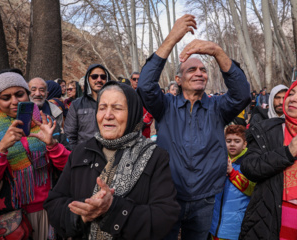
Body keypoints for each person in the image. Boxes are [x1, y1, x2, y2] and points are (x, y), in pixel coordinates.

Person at [137, 15, 250, 239]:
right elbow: (145, 86)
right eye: (191, 70)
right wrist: (171, 39)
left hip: (206, 198)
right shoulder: (165, 106)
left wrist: (217, 51)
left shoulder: (218, 108)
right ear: (178, 79)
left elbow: (242, 94)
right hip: (168, 196)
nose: (199, 72)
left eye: (203, 69)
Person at [44, 81, 180, 239]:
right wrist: (83, 213)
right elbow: (54, 203)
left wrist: (113, 208)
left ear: (133, 113)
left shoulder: (155, 156)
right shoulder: (81, 152)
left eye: (117, 108)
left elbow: (165, 217)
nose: (107, 115)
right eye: (102, 108)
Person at [0, 69, 71, 240]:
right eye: (6, 98)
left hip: (50, 210)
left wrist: (52, 145)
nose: (14, 102)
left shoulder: (46, 122)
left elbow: (69, 169)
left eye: (19, 94)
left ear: (27, 94)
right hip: (9, 220)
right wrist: (1, 149)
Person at [239, 76, 297, 239]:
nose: (292, 98)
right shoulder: (267, 129)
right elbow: (249, 167)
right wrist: (286, 153)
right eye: (292, 93)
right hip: (270, 221)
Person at [210, 125, 254, 240]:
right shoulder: (219, 158)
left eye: (237, 141)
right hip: (214, 224)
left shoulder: (249, 162)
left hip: (235, 227)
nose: (232, 144)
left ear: (245, 144)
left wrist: (232, 173)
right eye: (228, 141)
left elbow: (251, 189)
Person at [64, 64, 110, 148]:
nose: (99, 80)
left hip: (109, 154)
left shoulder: (114, 104)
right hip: (85, 155)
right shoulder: (77, 104)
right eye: (94, 76)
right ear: (88, 79)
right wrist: (75, 155)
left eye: (103, 77)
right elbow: (69, 135)